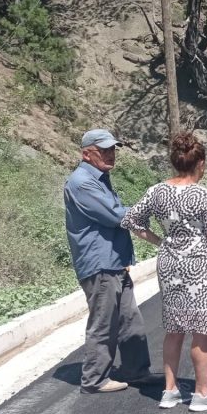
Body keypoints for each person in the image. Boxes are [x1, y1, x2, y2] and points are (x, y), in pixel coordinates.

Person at [122, 132, 207, 412]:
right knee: (201, 331)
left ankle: (170, 391)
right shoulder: (203, 195)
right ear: (201, 164)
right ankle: (202, 394)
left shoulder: (156, 191)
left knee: (174, 328)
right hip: (199, 266)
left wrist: (160, 241)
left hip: (170, 263)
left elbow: (131, 220)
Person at [64, 129, 154, 394]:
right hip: (100, 264)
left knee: (129, 320)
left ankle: (136, 371)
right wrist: (154, 207)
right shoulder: (82, 182)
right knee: (104, 322)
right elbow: (116, 215)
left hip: (114, 261)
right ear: (86, 154)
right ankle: (94, 379)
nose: (110, 154)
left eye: (112, 149)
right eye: (104, 150)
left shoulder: (100, 179)